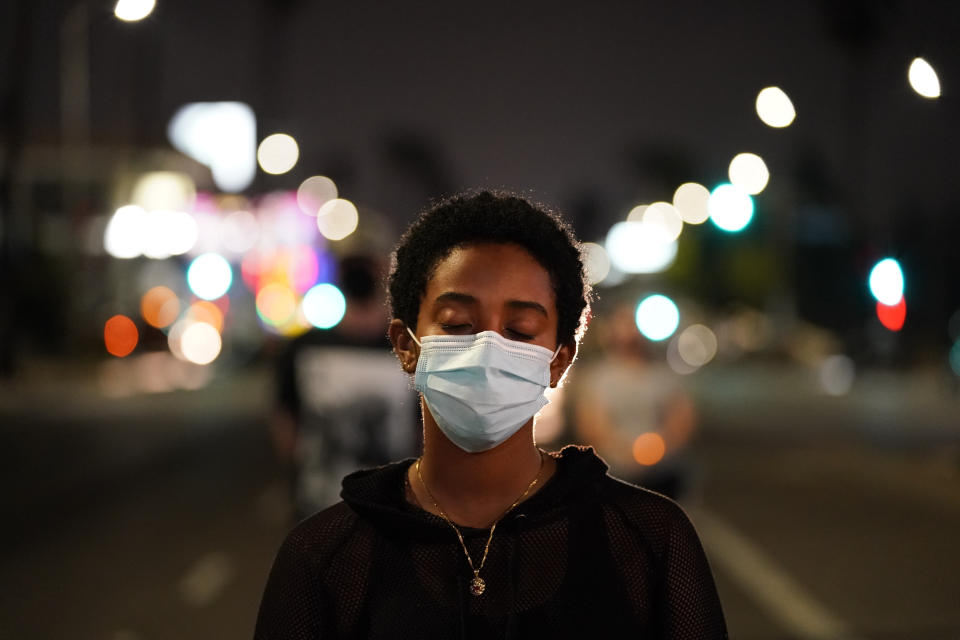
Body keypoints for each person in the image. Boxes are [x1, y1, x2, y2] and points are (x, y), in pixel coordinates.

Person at [254, 191, 728, 639]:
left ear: (559, 361)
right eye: (458, 324)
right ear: (405, 346)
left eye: (520, 330)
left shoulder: (649, 542)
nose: (487, 348)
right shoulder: (323, 558)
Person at [272, 254, 420, 520]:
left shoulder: (306, 347)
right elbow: (286, 420)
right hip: (329, 506)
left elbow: (286, 423)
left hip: (378, 509)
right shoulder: (407, 350)